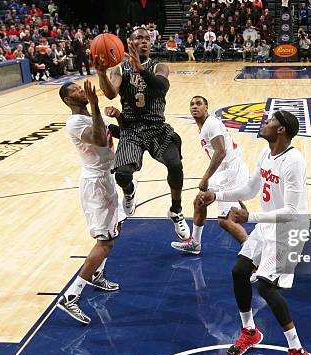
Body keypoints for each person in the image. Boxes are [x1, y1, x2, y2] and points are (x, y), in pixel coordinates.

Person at [198, 111, 311, 355]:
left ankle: (298, 352)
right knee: (239, 272)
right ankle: (250, 331)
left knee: (265, 285)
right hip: (267, 227)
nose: (264, 123)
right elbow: (249, 189)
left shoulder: (294, 161)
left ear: (281, 129)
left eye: (269, 121)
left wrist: (252, 216)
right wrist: (218, 195)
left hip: (289, 230)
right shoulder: (265, 154)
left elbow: (292, 210)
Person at [94, 27, 190, 240]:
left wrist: (142, 70)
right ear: (129, 42)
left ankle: (176, 210)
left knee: (175, 165)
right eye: (139, 37)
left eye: (147, 38)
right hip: (131, 128)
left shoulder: (159, 66)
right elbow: (110, 93)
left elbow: (160, 88)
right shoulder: (119, 69)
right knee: (122, 175)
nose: (144, 41)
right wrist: (101, 72)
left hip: (156, 127)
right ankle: (129, 191)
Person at [57, 80, 125, 324]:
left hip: (107, 178)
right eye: (75, 90)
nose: (81, 90)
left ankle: (96, 274)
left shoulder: (94, 116)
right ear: (68, 100)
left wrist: (119, 116)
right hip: (95, 184)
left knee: (117, 229)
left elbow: (119, 133)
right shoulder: (75, 122)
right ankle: (70, 297)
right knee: (104, 243)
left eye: (80, 87)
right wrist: (96, 106)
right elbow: (98, 139)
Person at [171, 96, 249, 254]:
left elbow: (220, 152)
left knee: (225, 221)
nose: (194, 106)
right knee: (200, 202)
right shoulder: (205, 125)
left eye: (199, 104)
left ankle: (253, 252)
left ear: (206, 107)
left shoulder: (211, 124)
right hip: (227, 171)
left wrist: (205, 178)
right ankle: (195, 243)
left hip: (230, 171)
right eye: (191, 104)